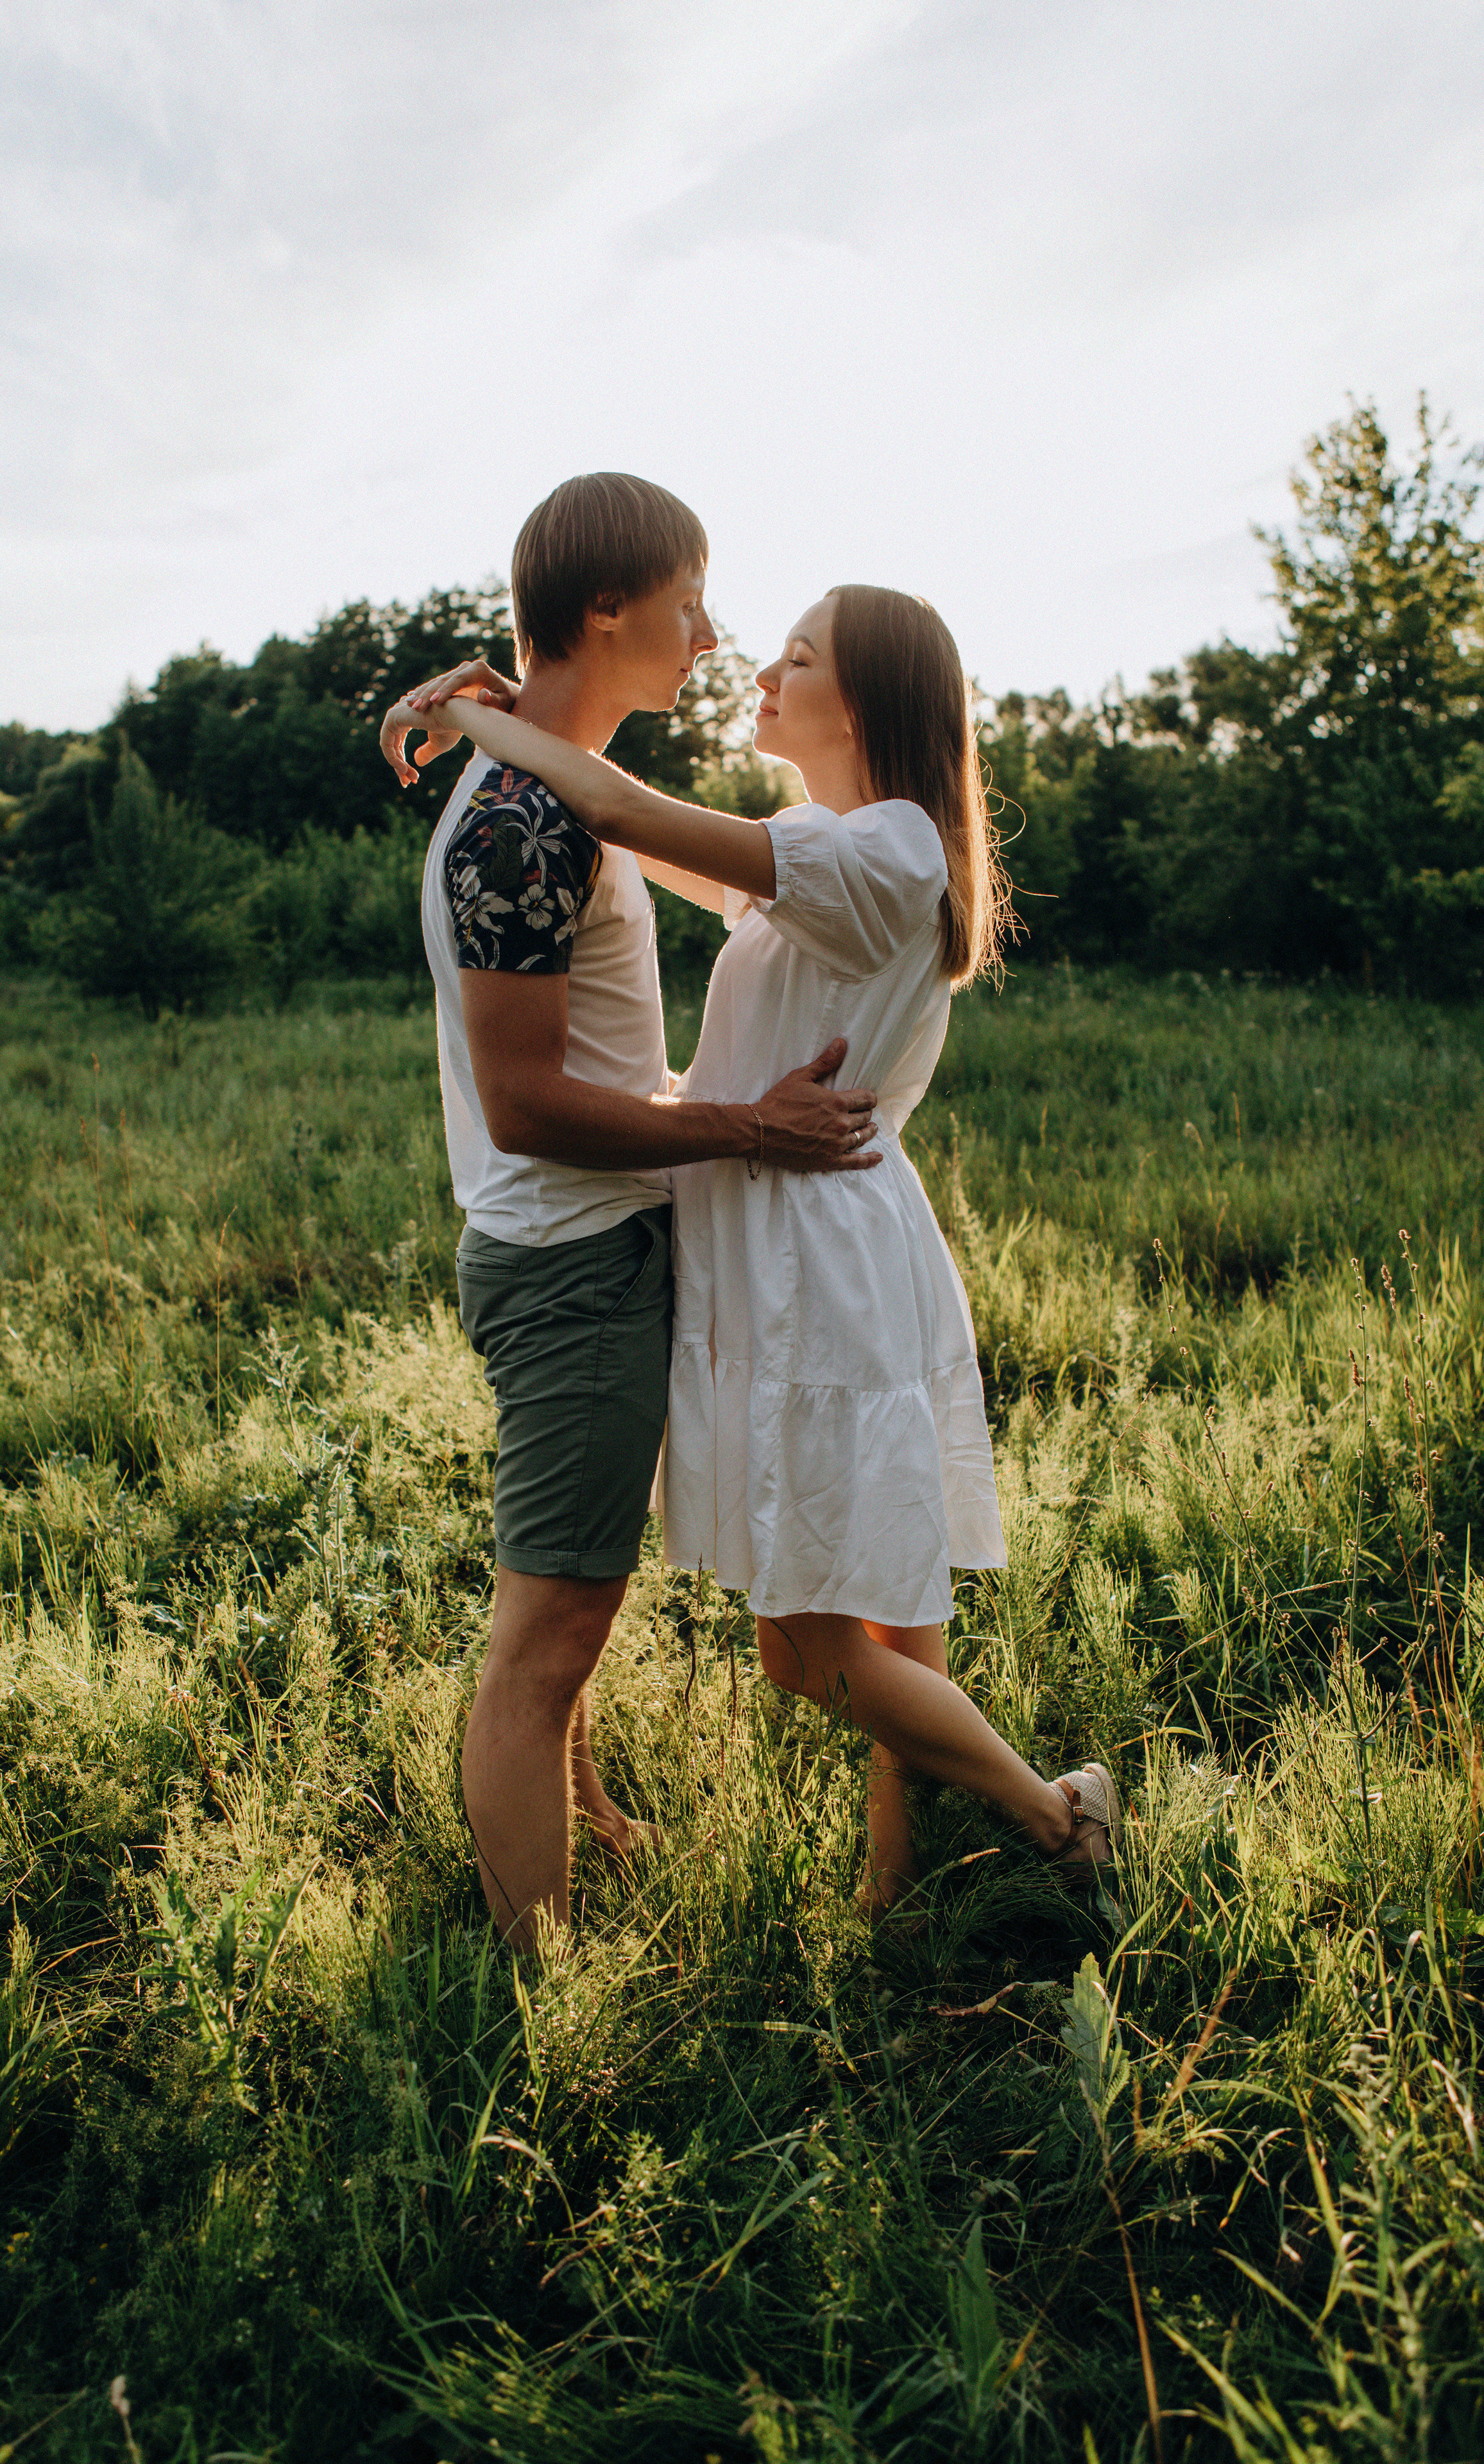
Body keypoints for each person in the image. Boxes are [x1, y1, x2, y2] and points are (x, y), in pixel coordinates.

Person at [386, 582, 1122, 1914]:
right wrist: (522, 720)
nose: (761, 671)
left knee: (813, 1639)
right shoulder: (835, 843)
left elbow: (614, 816)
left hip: (815, 1257)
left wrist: (478, 720)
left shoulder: (884, 850)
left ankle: (1054, 1818)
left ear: (869, 700)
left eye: (797, 656)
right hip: (804, 1233)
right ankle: (891, 1898)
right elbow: (657, 844)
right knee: (877, 1598)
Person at [391, 474, 885, 1951]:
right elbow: (527, 1102)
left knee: (576, 1597)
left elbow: (598, 1054)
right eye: (688, 595)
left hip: (586, 1249)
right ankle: (532, 1991)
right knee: (546, 1637)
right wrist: (752, 1130)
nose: (709, 629)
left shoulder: (555, 796)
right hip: (569, 1265)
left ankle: (589, 1820)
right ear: (607, 606)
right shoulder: (524, 826)